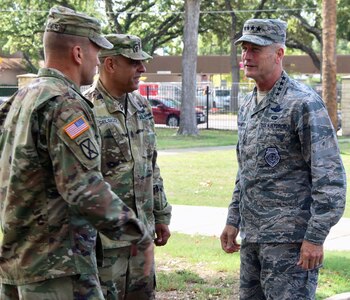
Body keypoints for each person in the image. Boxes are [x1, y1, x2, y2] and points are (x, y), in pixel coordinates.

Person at [0, 6, 154, 300]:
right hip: (58, 269)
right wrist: (137, 235)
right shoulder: (65, 103)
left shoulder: (20, 98)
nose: (98, 62)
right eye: (97, 51)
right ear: (78, 53)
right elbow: (83, 187)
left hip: (18, 263)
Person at [220, 19, 346, 300]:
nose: (247, 56)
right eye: (244, 48)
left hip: (292, 246)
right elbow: (246, 171)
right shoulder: (248, 104)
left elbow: (330, 178)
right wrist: (233, 220)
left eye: (256, 49)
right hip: (253, 240)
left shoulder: (303, 103)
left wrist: (315, 237)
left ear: (279, 54)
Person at [84, 34, 172, 300]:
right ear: (110, 64)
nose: (142, 69)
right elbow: (81, 180)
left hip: (141, 238)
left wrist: (160, 214)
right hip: (105, 243)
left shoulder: (142, 107)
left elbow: (151, 165)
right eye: (134, 63)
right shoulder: (85, 108)